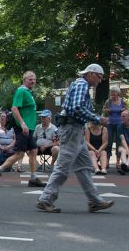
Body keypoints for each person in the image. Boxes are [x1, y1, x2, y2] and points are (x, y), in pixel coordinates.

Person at [35, 64, 114, 214]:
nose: (100, 81)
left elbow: (76, 108)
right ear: (91, 74)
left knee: (84, 166)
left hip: (75, 131)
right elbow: (77, 108)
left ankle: (95, 201)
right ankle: (45, 199)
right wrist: (98, 119)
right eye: (99, 77)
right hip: (72, 130)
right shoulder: (82, 84)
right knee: (63, 168)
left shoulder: (80, 84)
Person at [0, 71, 45, 187]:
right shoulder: (21, 91)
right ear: (24, 80)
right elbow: (14, 108)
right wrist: (22, 124)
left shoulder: (28, 92)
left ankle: (33, 178)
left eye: (34, 79)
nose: (33, 81)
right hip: (23, 128)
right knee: (20, 154)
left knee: (33, 151)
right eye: (30, 79)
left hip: (28, 128)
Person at [102, 86, 127, 170]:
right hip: (110, 124)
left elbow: (127, 112)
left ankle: (118, 162)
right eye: (111, 94)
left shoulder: (123, 101)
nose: (113, 96)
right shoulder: (108, 101)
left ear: (118, 94)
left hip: (120, 124)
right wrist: (107, 110)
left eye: (114, 94)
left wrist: (124, 110)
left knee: (119, 143)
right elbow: (104, 110)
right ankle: (107, 162)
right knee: (108, 143)